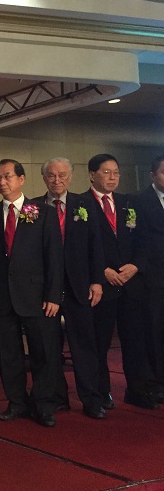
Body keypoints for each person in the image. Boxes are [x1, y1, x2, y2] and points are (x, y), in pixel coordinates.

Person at [0, 159, 63, 427]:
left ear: (21, 179)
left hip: (37, 297)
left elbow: (54, 257)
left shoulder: (43, 212)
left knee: (43, 353)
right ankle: (16, 403)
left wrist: (53, 295)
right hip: (1, 296)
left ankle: (43, 405)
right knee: (8, 354)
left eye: (8, 176)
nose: (2, 182)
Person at [82, 154, 159, 409]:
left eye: (116, 172)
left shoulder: (129, 202)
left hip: (131, 283)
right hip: (101, 285)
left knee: (136, 340)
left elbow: (145, 239)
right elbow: (78, 246)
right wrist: (101, 271)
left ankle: (138, 390)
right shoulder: (80, 204)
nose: (112, 177)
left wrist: (136, 266)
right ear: (92, 174)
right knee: (100, 342)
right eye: (106, 172)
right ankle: (101, 393)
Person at [32, 158, 106, 419]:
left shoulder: (85, 204)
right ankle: (56, 397)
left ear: (71, 177)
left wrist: (97, 280)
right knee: (49, 347)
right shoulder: (32, 207)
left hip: (79, 286)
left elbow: (96, 245)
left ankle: (91, 399)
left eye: (62, 175)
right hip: (45, 290)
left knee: (84, 346)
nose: (57, 180)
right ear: (44, 178)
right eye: (51, 175)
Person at [135, 154, 164, 398]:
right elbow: (138, 242)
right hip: (154, 278)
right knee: (155, 332)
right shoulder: (139, 201)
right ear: (152, 175)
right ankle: (157, 383)